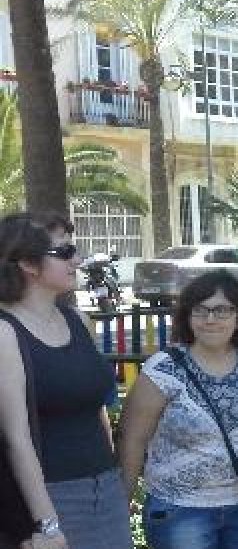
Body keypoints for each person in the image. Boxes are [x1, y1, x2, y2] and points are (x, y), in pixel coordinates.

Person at [120, 270, 238, 549]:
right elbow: (133, 439)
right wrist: (123, 501)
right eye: (200, 310)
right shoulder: (164, 368)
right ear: (187, 316)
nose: (210, 319)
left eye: (222, 310)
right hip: (180, 511)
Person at [0, 213, 132, 549]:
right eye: (64, 252)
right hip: (51, 493)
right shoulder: (6, 332)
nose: (78, 259)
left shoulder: (78, 321)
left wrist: (115, 479)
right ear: (29, 264)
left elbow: (97, 407)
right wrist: (46, 522)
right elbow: (17, 436)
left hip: (105, 487)